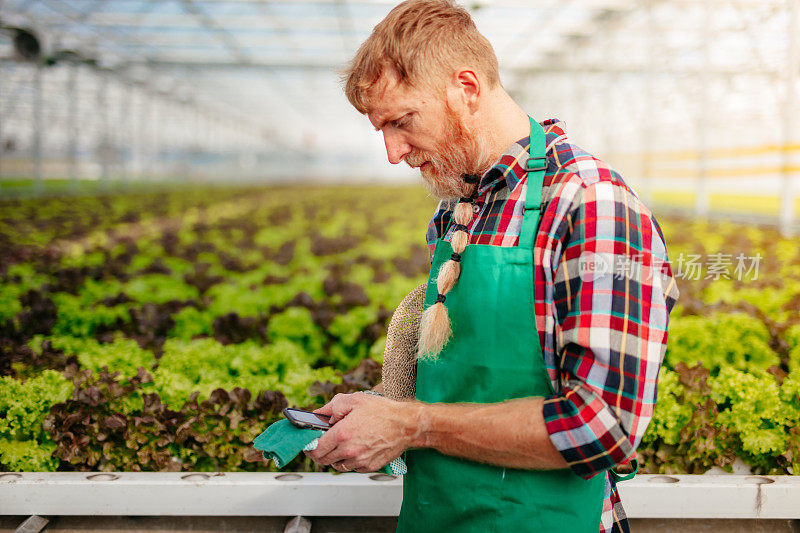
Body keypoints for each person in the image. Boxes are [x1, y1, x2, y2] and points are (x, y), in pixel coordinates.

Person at [303, 1, 680, 532]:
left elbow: (603, 424)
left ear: (467, 87)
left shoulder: (592, 204)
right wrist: (386, 408)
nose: (392, 152)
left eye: (402, 121)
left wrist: (415, 424)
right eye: (379, 130)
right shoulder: (459, 209)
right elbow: (472, 383)